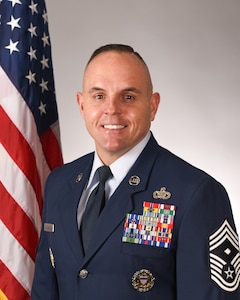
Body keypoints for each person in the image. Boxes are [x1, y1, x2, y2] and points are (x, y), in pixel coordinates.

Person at [31, 44, 240, 299]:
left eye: (128, 96)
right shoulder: (60, 183)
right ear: (81, 104)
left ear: (152, 105)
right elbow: (44, 291)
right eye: (99, 96)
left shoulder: (196, 194)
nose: (112, 109)